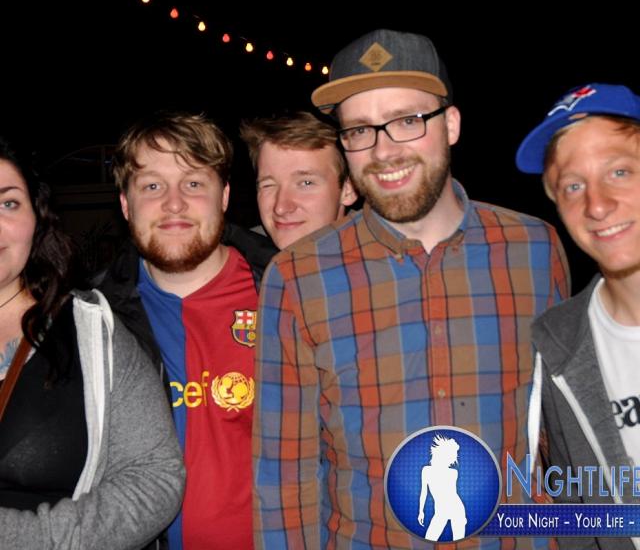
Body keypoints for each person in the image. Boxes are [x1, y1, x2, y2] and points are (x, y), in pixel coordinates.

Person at [253, 29, 570, 549]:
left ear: (451, 124)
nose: (384, 150)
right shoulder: (298, 278)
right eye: (360, 129)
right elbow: (285, 479)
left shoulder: (535, 249)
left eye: (406, 121)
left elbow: (564, 436)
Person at [98, 112, 276, 550]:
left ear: (224, 197)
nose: (174, 203)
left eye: (193, 183)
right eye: (152, 186)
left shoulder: (286, 294)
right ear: (125, 204)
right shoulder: (93, 321)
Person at [0, 136, 184, 549]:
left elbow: (155, 476)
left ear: (37, 217)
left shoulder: (91, 329)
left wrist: (36, 539)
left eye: (8, 203)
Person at [517, 83, 640, 549]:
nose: (597, 204)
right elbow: (581, 518)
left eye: (619, 171)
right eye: (573, 185)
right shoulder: (557, 346)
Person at [239, 111, 357, 249]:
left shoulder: (376, 255)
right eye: (268, 185)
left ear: (348, 190)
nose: (280, 208)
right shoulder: (244, 253)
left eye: (306, 183)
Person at [418, 435, 466, 542]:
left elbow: (452, 494)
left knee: (459, 542)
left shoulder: (453, 473)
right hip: (440, 511)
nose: (453, 459)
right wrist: (421, 511)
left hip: (456, 509)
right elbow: (423, 493)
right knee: (429, 539)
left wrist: (462, 518)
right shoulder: (426, 470)